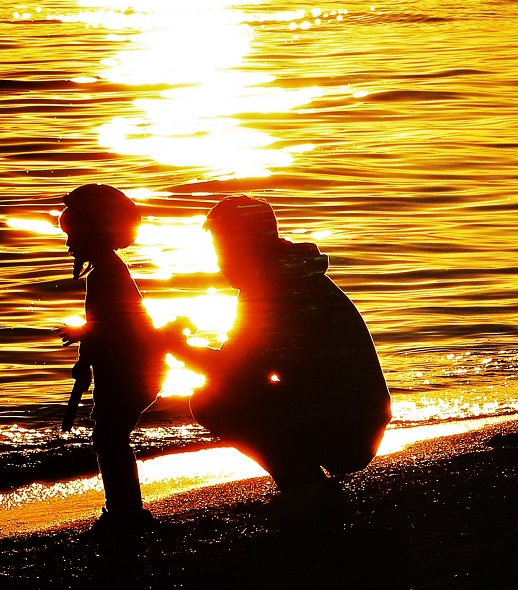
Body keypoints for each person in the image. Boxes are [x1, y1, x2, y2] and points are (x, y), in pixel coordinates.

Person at [166, 195, 391, 512]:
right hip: (355, 418)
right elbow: (245, 364)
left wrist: (175, 347)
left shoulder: (273, 289)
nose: (219, 263)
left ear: (247, 245)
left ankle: (306, 488)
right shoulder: (286, 278)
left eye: (223, 250)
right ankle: (305, 485)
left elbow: (232, 370)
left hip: (348, 428)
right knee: (229, 391)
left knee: (211, 400)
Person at [58, 183, 168, 535]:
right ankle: (124, 509)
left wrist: (82, 336)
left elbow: (112, 327)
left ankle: (126, 512)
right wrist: (83, 358)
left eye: (73, 234)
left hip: (130, 370)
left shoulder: (107, 274)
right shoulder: (106, 271)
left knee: (110, 438)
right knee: (110, 437)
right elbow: (101, 326)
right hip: (128, 368)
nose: (68, 243)